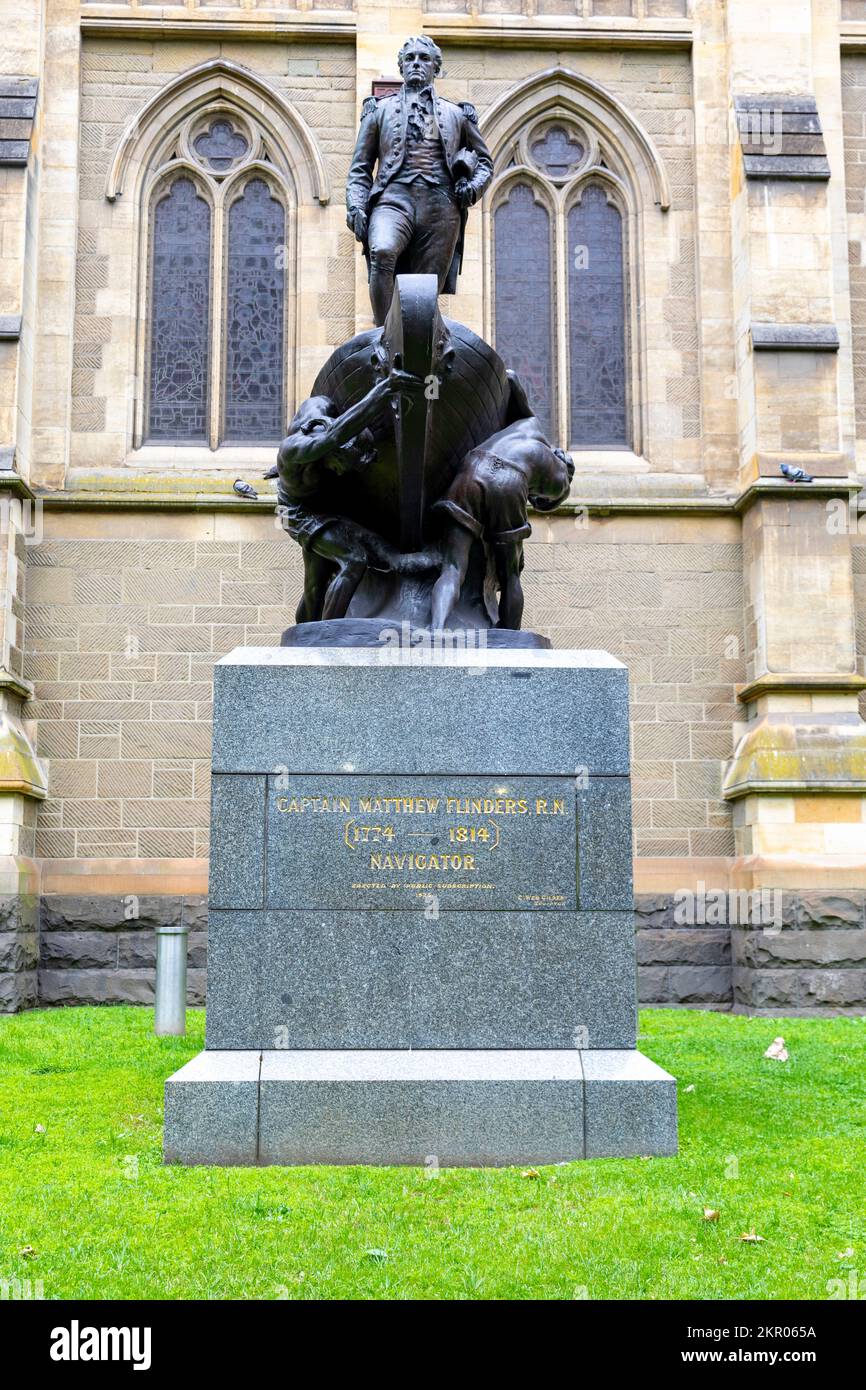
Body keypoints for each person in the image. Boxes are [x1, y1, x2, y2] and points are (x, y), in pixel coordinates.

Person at [346, 36, 493, 325]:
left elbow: (485, 163)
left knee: (424, 293)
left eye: (424, 59)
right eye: (410, 58)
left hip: (441, 205)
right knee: (383, 251)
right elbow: (360, 168)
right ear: (401, 67)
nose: (416, 63)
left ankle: (413, 352)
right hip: (393, 198)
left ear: (435, 69)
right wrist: (356, 206)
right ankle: (383, 337)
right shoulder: (379, 111)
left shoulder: (457, 114)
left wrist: (471, 188)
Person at [274, 370, 435, 623]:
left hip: (325, 506)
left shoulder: (322, 409)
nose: (342, 472)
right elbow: (336, 435)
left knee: (317, 583)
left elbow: (342, 430)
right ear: (331, 452)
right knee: (354, 559)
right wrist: (384, 389)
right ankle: (326, 636)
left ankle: (303, 634)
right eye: (342, 466)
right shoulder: (297, 448)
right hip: (294, 513)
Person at [430, 418, 574, 631]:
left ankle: (436, 630)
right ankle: (510, 636)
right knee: (510, 575)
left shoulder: (530, 425)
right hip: (509, 477)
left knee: (452, 567)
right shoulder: (562, 481)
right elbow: (542, 504)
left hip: (472, 465)